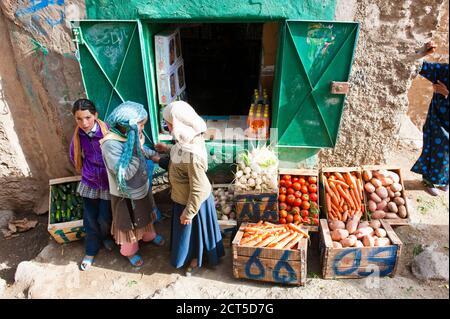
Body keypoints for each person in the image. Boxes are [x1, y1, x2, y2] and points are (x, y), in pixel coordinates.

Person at [154, 101, 224, 276]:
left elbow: (199, 188)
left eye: (169, 123)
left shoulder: (193, 154)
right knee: (187, 236)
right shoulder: (186, 140)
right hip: (183, 198)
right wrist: (167, 149)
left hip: (193, 203)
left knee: (192, 236)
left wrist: (189, 212)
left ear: (180, 125)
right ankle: (191, 255)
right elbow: (179, 153)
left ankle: (195, 259)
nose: (167, 127)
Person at [100, 101, 164, 267]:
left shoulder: (130, 135)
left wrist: (154, 156)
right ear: (125, 126)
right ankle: (130, 251)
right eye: (141, 125)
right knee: (129, 222)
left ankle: (148, 235)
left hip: (141, 187)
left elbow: (142, 151)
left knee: (146, 212)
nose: (142, 129)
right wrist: (137, 147)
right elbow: (125, 172)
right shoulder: (110, 144)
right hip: (125, 194)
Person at [69, 99, 114, 271]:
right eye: (79, 119)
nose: (84, 123)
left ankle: (106, 237)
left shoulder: (107, 133)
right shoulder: (78, 136)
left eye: (88, 117)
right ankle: (91, 250)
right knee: (89, 218)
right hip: (89, 181)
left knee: (104, 217)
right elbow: (74, 156)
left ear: (95, 115)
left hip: (107, 182)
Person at [411, 41, 449, 196]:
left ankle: (445, 180)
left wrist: (447, 94)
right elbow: (417, 66)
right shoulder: (444, 71)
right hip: (438, 122)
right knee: (436, 148)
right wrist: (423, 53)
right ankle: (429, 180)